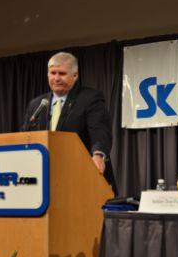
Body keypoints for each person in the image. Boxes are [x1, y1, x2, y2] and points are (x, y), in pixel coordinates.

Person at [22, 52, 117, 195]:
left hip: (82, 176)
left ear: (75, 75)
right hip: (45, 180)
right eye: (52, 73)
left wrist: (98, 154)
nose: (56, 78)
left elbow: (100, 131)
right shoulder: (37, 104)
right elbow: (25, 136)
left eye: (62, 73)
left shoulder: (90, 98)